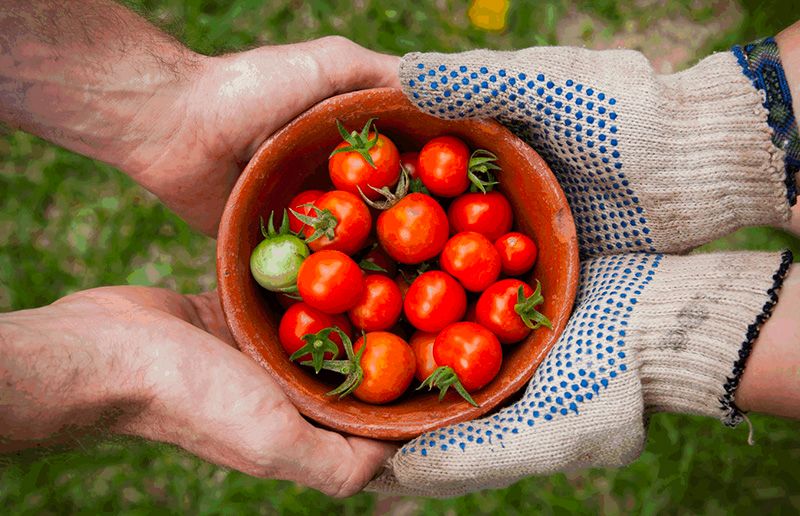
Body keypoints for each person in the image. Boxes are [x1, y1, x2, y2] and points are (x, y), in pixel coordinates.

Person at [0, 0, 798, 499]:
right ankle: (709, 296)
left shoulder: (367, 227)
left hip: (449, 287)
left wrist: (716, 132)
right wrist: (123, 373)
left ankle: (735, 153)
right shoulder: (367, 259)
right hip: (448, 301)